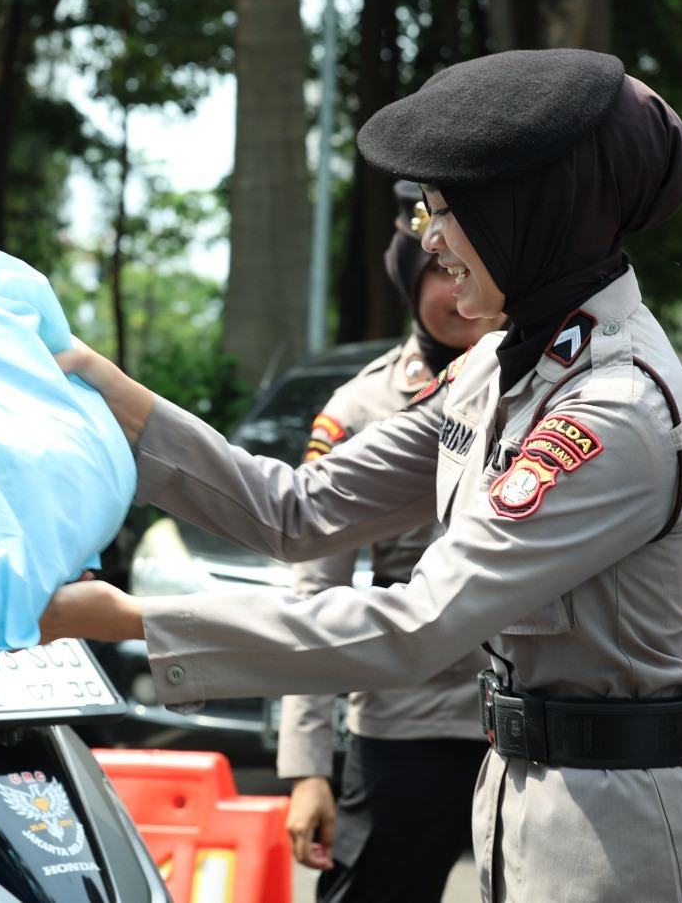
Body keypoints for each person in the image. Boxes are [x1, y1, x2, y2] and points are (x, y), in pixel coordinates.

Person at [41, 49, 682, 900]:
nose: (431, 238)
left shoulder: (614, 408)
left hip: (617, 836)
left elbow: (417, 624)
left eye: (453, 210)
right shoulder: (502, 366)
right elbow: (302, 510)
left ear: (532, 210)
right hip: (523, 797)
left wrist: (125, 616)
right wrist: (106, 391)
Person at [280, 180, 498, 903]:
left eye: (470, 263)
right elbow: (316, 592)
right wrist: (310, 767)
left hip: (533, 726)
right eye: (438, 269)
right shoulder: (360, 408)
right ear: (410, 280)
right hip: (409, 727)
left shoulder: (549, 388)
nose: (455, 286)